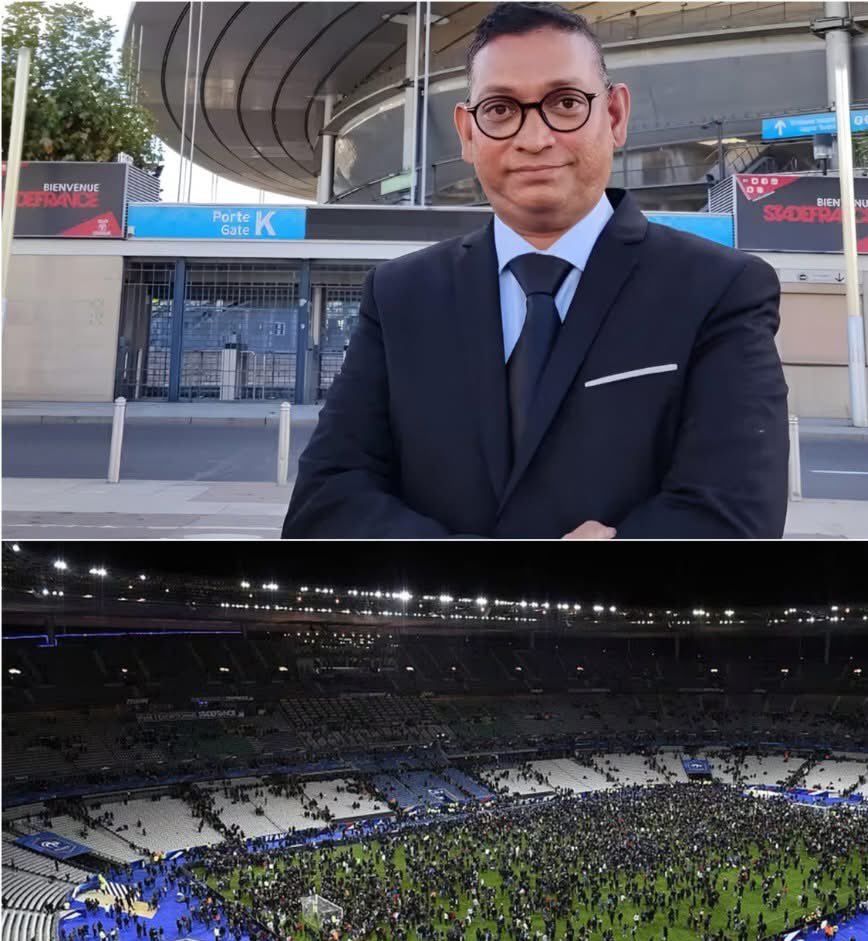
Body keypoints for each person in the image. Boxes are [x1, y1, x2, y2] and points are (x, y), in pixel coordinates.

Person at [283, 1, 788, 540]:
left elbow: (735, 514)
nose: (534, 138)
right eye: (500, 109)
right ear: (468, 132)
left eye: (565, 103)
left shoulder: (718, 290)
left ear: (615, 115)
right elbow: (326, 500)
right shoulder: (400, 295)